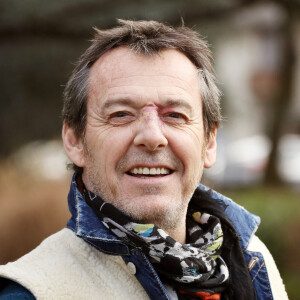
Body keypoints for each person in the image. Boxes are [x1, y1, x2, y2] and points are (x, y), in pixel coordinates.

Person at [0, 20, 288, 300]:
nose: (152, 137)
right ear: (75, 141)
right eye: (121, 114)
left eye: (175, 115)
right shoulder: (31, 293)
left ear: (209, 142)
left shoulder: (254, 260)